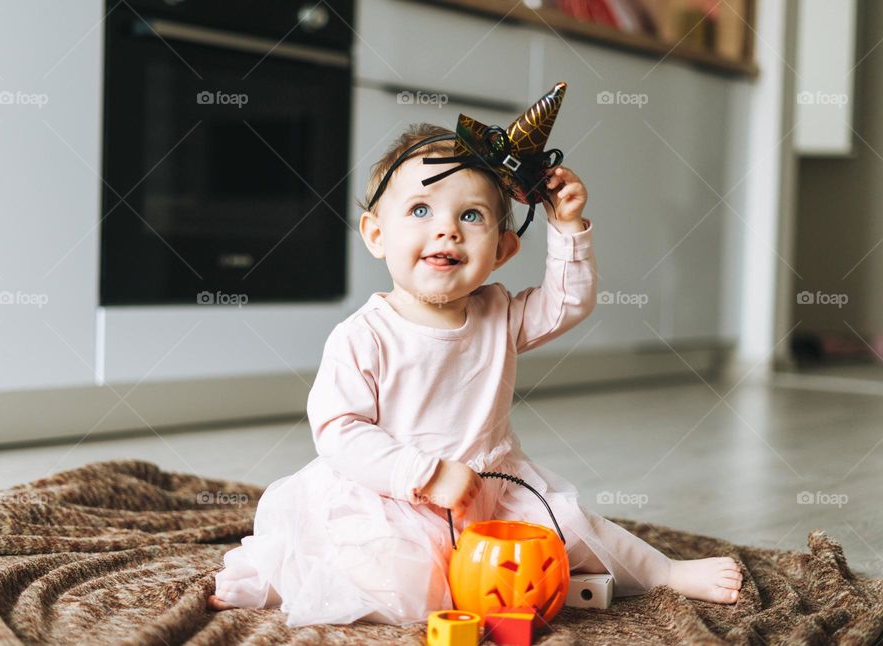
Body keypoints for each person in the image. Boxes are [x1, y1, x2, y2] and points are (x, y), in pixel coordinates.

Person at [208, 117, 742, 627]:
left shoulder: (499, 313)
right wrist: (426, 475)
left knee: (573, 528)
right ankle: (284, 576)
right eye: (419, 210)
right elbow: (339, 431)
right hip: (392, 496)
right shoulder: (363, 335)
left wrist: (568, 226)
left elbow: (566, 304)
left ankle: (663, 572)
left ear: (504, 250)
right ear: (375, 233)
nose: (446, 230)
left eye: (471, 216)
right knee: (397, 581)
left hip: (492, 486)